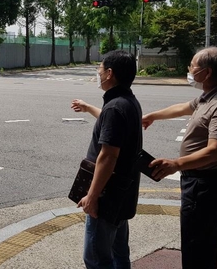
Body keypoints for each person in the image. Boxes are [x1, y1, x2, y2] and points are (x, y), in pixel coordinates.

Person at [142, 47, 217, 269]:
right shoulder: (209, 96)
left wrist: (176, 164)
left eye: (192, 66)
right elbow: (182, 108)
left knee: (199, 246)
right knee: (194, 244)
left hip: (208, 185)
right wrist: (151, 116)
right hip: (197, 182)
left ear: (207, 72)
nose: (189, 70)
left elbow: (214, 151)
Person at [71, 50, 142, 269]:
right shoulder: (128, 102)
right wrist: (88, 107)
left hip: (107, 196)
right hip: (122, 193)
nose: (98, 73)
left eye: (100, 69)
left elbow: (108, 156)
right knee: (119, 252)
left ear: (109, 73)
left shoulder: (114, 107)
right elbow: (110, 122)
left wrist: (92, 197)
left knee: (96, 259)